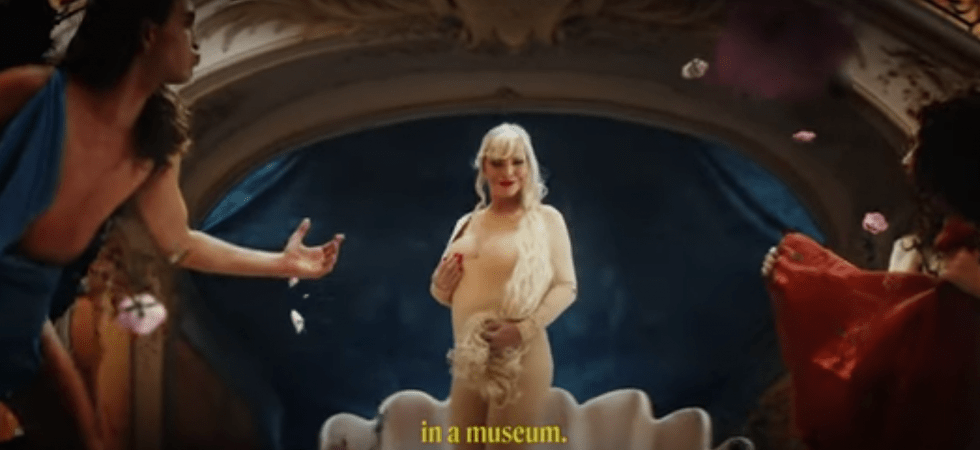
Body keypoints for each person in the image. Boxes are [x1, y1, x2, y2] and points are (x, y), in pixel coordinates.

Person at [0, 1, 343, 448]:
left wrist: (283, 264)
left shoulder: (153, 146)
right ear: (148, 34)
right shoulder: (35, 91)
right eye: (185, 25)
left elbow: (178, 243)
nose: (196, 43)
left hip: (25, 312)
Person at [760, 91, 980, 449]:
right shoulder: (959, 254)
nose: (906, 160)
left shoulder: (962, 284)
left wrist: (801, 276)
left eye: (917, 148)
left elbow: (887, 351)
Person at [429, 123, 577, 449]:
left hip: (520, 359)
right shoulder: (466, 223)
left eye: (517, 162)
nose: (508, 172)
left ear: (529, 166)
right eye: (497, 163)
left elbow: (566, 287)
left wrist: (522, 330)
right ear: (484, 167)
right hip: (470, 361)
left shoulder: (546, 220)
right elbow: (448, 293)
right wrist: (439, 286)